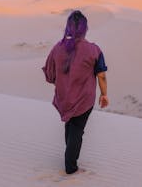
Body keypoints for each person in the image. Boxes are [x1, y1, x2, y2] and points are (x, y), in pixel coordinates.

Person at [42, 10, 109, 174]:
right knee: (77, 130)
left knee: (70, 126)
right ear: (85, 29)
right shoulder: (94, 50)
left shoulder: (57, 48)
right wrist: (104, 94)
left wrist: (64, 82)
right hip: (84, 100)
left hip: (64, 97)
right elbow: (101, 75)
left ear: (68, 28)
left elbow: (50, 74)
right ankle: (71, 167)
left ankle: (69, 157)